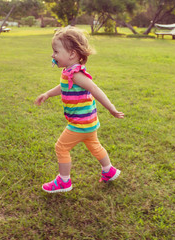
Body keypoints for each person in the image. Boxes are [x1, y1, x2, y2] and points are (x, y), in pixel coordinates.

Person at [35, 27, 124, 193]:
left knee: (61, 147)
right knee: (94, 146)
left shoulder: (77, 74)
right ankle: (109, 171)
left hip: (80, 124)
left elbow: (96, 90)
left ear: (71, 54)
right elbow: (63, 87)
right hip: (88, 123)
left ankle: (64, 181)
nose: (52, 55)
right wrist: (48, 94)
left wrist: (111, 108)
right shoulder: (69, 73)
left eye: (56, 51)